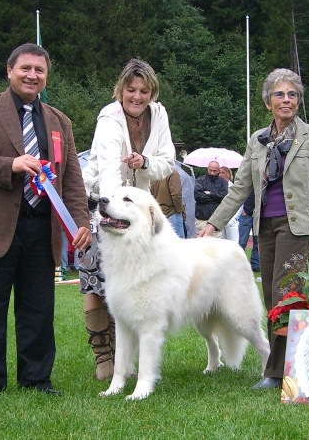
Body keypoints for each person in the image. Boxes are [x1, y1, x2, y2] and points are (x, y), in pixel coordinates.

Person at [0, 43, 91, 401]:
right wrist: (9, 166)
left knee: (39, 311)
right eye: (26, 69)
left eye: (39, 71)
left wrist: (80, 222)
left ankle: (37, 379)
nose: (32, 75)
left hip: (42, 228)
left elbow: (71, 177)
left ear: (47, 76)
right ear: (9, 71)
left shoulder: (60, 121)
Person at [199, 68, 309, 389]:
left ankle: (276, 373)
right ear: (267, 101)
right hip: (265, 227)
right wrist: (215, 223)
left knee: (288, 295)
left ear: (298, 101)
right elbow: (240, 186)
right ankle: (290, 363)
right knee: (272, 296)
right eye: (279, 94)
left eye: (292, 94)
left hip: (297, 226)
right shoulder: (258, 140)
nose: (286, 100)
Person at [80, 58, 175, 380]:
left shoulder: (159, 116)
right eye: (131, 90)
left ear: (152, 93)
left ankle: (128, 358)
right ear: (121, 90)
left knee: (135, 284)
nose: (137, 97)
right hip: (102, 203)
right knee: (95, 281)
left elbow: (167, 163)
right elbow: (108, 170)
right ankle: (103, 356)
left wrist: (145, 161)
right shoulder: (108, 118)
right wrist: (109, 214)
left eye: (144, 91)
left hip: (138, 209)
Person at [194, 161, 228, 238]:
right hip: (202, 218)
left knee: (216, 246)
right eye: (210, 170)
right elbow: (198, 196)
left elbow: (224, 197)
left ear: (219, 170)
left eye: (214, 170)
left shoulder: (223, 182)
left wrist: (210, 193)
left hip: (217, 219)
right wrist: (216, 197)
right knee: (201, 245)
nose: (212, 172)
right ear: (207, 169)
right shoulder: (200, 180)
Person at [151, 168, 186, 238]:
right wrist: (180, 211)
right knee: (179, 245)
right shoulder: (173, 172)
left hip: (158, 213)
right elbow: (176, 194)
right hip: (172, 212)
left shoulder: (153, 173)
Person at [238, 190, 260, 272]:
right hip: (246, 214)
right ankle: (239, 265)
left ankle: (256, 265)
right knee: (241, 242)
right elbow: (240, 193)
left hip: (258, 215)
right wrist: (242, 210)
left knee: (257, 242)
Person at [218, 166, 240, 243]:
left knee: (233, 243)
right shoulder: (218, 188)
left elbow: (238, 203)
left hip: (231, 219)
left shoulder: (233, 187)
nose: (220, 175)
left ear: (228, 174)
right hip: (221, 219)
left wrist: (234, 219)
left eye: (223, 172)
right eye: (219, 172)